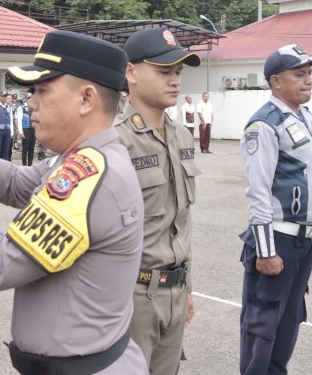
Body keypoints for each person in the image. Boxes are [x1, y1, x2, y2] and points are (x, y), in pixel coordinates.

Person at [0, 29, 148, 374]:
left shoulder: (88, 175)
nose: (30, 102)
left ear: (86, 99)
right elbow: (15, 183)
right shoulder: (80, 157)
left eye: (41, 90)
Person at [239, 44, 312, 375]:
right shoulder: (264, 124)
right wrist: (265, 251)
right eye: (299, 74)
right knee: (263, 324)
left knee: (290, 320)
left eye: (309, 73)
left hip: (304, 241)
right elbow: (259, 191)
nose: (308, 80)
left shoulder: (307, 118)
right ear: (276, 81)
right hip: (277, 240)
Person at [119, 27, 201, 374]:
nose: (175, 81)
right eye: (164, 71)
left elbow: (179, 221)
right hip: (132, 296)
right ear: (132, 72)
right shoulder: (115, 140)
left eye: (179, 72)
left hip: (175, 290)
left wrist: (188, 287)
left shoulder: (181, 134)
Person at [16, 89, 36, 166]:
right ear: (25, 99)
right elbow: (19, 120)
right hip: (25, 129)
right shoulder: (21, 107)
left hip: (33, 129)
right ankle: (24, 165)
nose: (30, 99)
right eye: (28, 98)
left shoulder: (34, 107)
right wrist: (21, 132)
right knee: (25, 149)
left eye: (31, 98)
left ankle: (30, 164)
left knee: (32, 148)